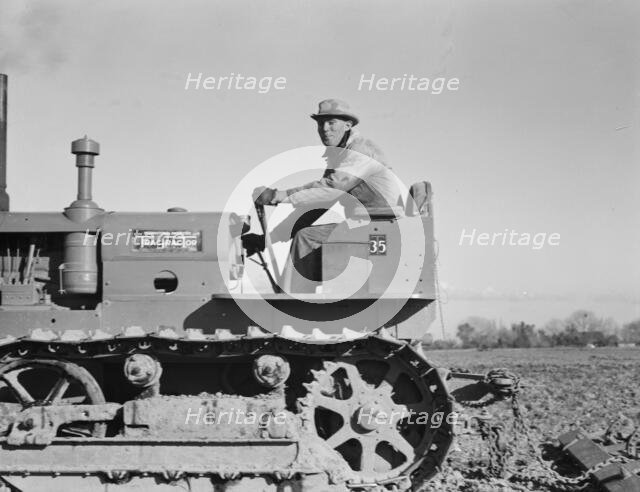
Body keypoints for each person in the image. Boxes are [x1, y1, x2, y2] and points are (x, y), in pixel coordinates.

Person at [243, 99, 403, 291]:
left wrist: (278, 196)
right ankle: (295, 300)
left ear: (348, 125)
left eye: (331, 123)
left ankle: (294, 305)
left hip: (381, 227)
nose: (324, 129)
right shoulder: (340, 156)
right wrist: (268, 239)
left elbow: (329, 190)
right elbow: (315, 206)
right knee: (310, 235)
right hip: (370, 226)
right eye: (320, 124)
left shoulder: (359, 151)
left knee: (307, 238)